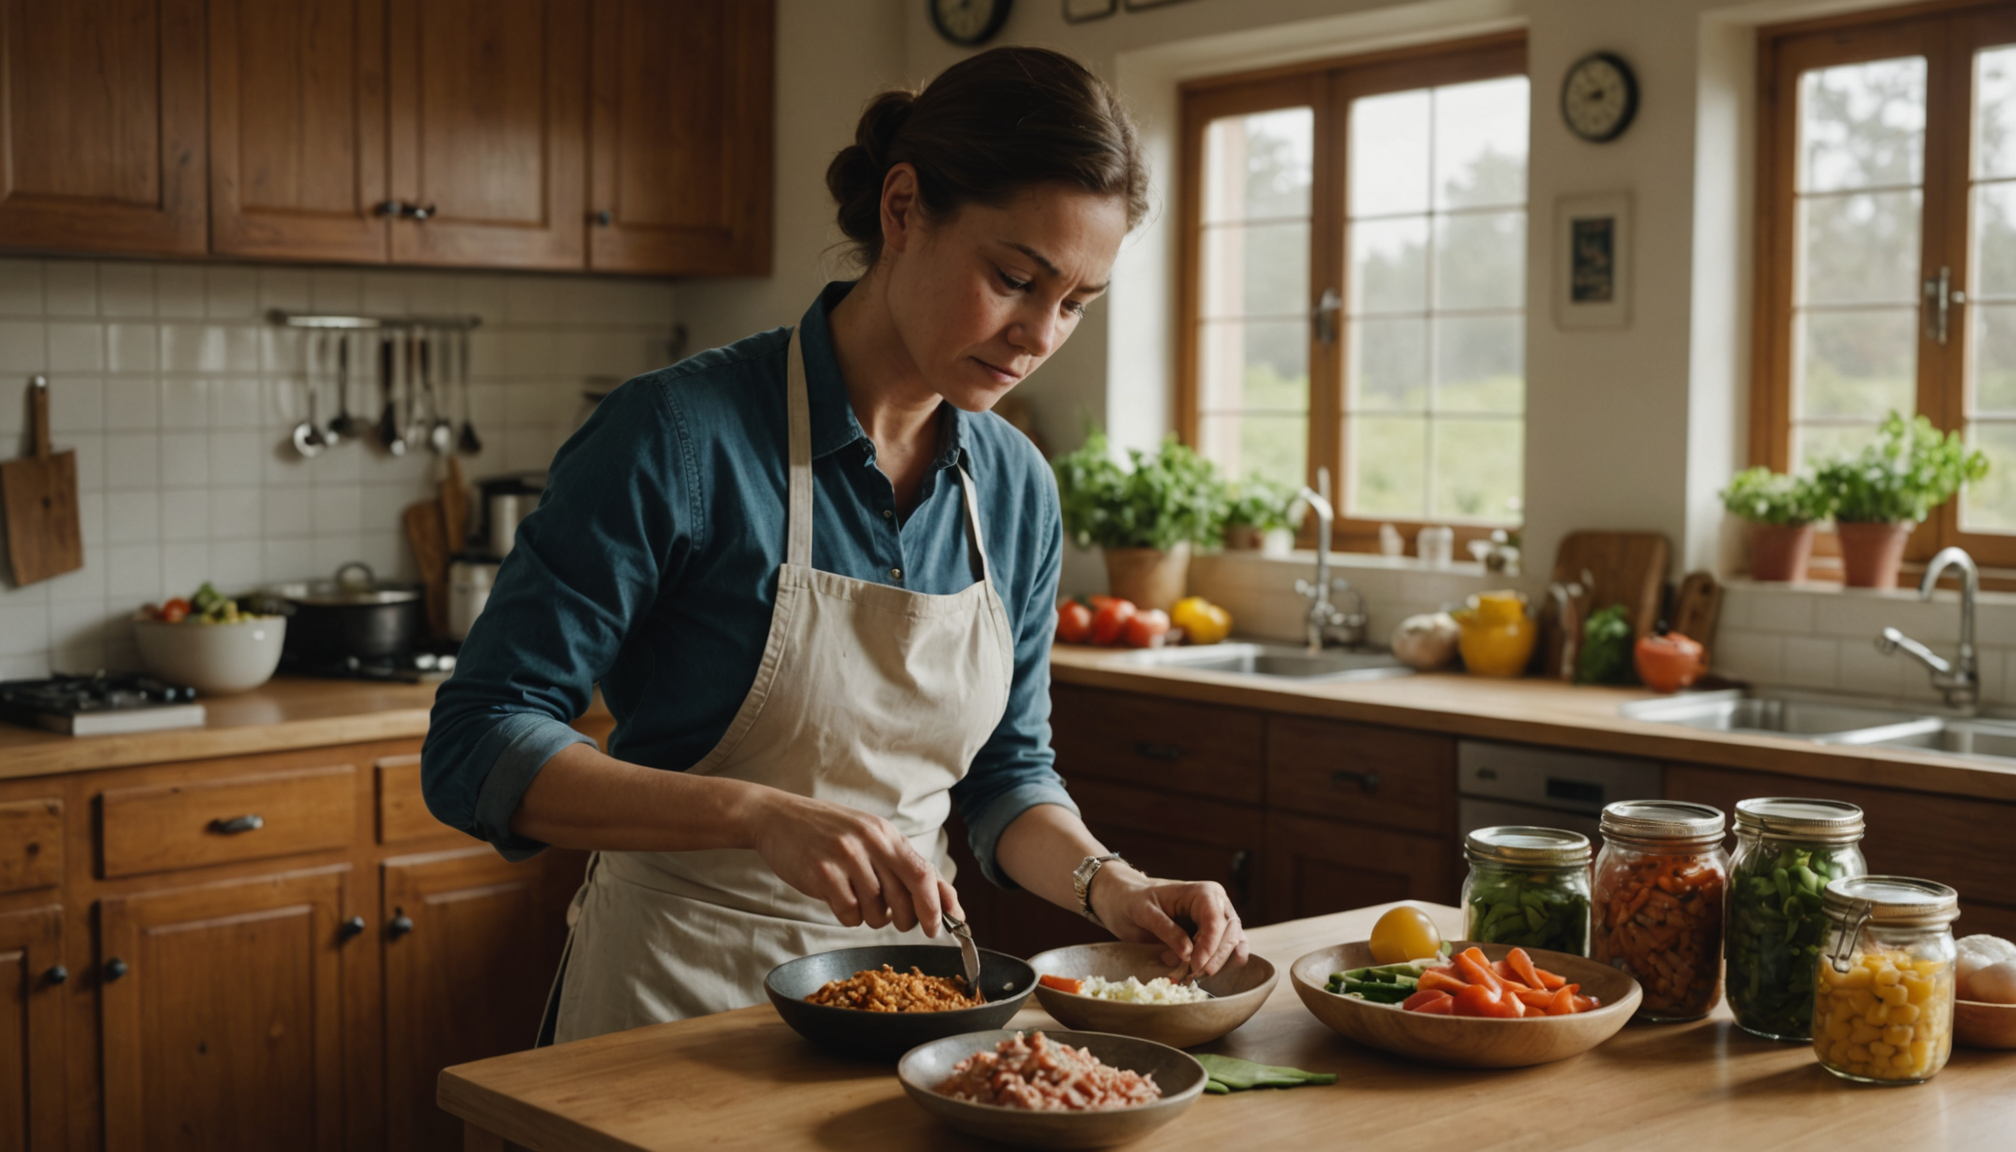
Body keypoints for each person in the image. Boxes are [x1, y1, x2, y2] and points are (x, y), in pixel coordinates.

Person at [422, 45, 1247, 1045]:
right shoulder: (678, 436)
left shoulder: (1015, 485)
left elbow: (1004, 777)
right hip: (672, 1002)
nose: (1038, 335)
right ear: (903, 209)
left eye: (1074, 303)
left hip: (917, 1014)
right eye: (1014, 278)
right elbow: (479, 741)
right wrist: (752, 815)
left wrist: (1110, 886)